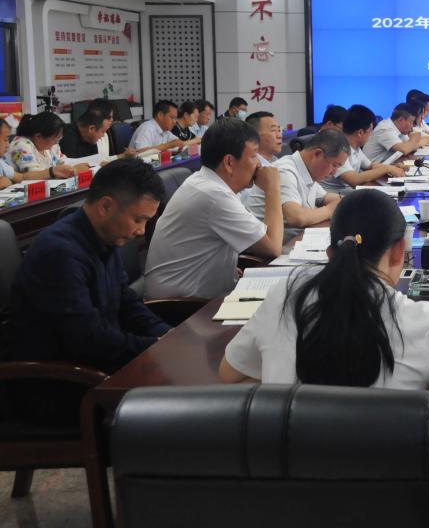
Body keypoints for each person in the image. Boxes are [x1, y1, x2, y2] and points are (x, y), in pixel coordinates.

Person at [219, 189, 429, 405]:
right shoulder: (420, 322)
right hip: (384, 477)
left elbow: (229, 372)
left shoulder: (284, 296)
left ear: (330, 253)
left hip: (286, 474)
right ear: (400, 251)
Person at [8, 159, 172, 376]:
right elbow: (87, 339)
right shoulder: (59, 253)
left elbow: (126, 303)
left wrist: (169, 335)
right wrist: (155, 347)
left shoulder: (105, 235)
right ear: (105, 206)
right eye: (138, 220)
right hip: (64, 378)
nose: (141, 230)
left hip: (102, 360)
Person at [144, 119, 284, 300]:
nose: (259, 164)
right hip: (180, 305)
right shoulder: (214, 195)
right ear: (229, 162)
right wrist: (273, 189)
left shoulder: (208, 183)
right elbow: (273, 247)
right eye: (254, 156)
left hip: (194, 293)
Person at [246, 128, 347, 235]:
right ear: (318, 154)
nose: (334, 172)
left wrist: (345, 202)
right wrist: (329, 210)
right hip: (265, 240)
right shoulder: (285, 170)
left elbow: (326, 197)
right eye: (334, 165)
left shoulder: (307, 170)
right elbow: (296, 217)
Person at [324, 104, 406, 191]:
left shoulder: (355, 147)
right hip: (334, 195)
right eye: (370, 131)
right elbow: (353, 179)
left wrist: (393, 167)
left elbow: (370, 166)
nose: (371, 135)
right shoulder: (338, 147)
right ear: (360, 133)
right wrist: (387, 169)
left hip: (348, 191)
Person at [6, 111, 88, 179]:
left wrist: (81, 165)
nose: (56, 142)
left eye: (59, 138)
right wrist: (55, 171)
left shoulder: (52, 146)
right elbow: (32, 175)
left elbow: (63, 162)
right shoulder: (21, 145)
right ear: (38, 137)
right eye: (55, 138)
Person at [363, 103, 429, 163]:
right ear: (400, 120)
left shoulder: (399, 129)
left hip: (384, 166)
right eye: (411, 122)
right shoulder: (385, 129)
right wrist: (414, 139)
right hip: (371, 170)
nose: (412, 126)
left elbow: (410, 147)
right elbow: (405, 149)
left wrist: (413, 143)